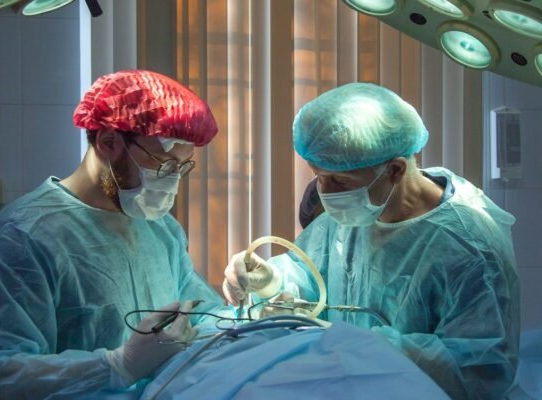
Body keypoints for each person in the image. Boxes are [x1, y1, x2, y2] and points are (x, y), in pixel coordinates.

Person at [223, 82, 520, 399]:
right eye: (318, 176)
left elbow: (478, 372)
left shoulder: (469, 248)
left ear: (395, 169)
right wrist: (271, 281)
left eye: (340, 180)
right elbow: (312, 282)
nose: (326, 192)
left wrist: (366, 348)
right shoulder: (354, 215)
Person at [0, 70, 228, 399]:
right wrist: (117, 366)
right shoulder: (24, 238)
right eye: (163, 165)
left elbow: (199, 310)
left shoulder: (160, 229)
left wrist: (248, 307)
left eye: (181, 167)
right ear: (109, 142)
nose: (172, 180)